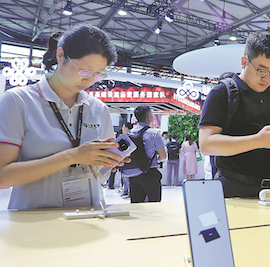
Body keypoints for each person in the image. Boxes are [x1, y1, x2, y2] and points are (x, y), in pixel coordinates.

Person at [0, 23, 123, 209]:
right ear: (60, 55)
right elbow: (2, 177)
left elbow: (100, 176)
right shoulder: (18, 101)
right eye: (84, 71)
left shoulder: (99, 109)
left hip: (88, 218)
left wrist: (107, 163)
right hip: (33, 223)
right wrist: (72, 156)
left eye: (98, 75)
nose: (89, 80)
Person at [199, 31, 270, 198]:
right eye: (261, 70)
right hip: (234, 189)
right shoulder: (223, 93)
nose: (267, 77)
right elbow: (206, 144)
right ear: (244, 62)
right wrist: (258, 141)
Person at [127, 105, 167, 203]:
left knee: (136, 206)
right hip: (150, 173)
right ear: (149, 116)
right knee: (154, 205)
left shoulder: (129, 133)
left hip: (133, 174)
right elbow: (163, 156)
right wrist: (154, 159)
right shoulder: (154, 133)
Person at [119, 122, 133, 198]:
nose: (122, 129)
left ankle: (129, 193)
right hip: (126, 159)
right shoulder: (128, 136)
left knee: (127, 178)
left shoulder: (127, 137)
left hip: (127, 160)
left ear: (126, 128)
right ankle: (126, 192)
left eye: (123, 127)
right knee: (125, 178)